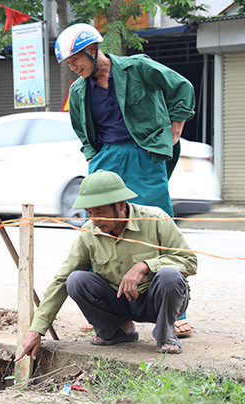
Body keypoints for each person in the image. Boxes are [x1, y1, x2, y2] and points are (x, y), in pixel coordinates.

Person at [55, 23, 196, 337]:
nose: (73, 67)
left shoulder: (138, 68)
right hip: (107, 161)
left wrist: (176, 126)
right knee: (101, 229)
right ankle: (112, 314)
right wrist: (94, 157)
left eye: (75, 59)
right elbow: (83, 132)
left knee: (157, 227)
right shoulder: (78, 91)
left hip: (145, 157)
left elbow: (181, 87)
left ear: (92, 49)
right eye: (68, 64)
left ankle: (176, 312)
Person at [15, 170, 197, 361]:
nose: (95, 219)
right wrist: (37, 330)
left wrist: (145, 266)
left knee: (170, 276)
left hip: (157, 302)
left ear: (120, 205)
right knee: (76, 280)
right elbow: (61, 279)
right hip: (119, 301)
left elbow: (189, 261)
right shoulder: (89, 232)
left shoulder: (155, 218)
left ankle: (165, 333)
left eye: (100, 212)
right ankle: (118, 330)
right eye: (90, 213)